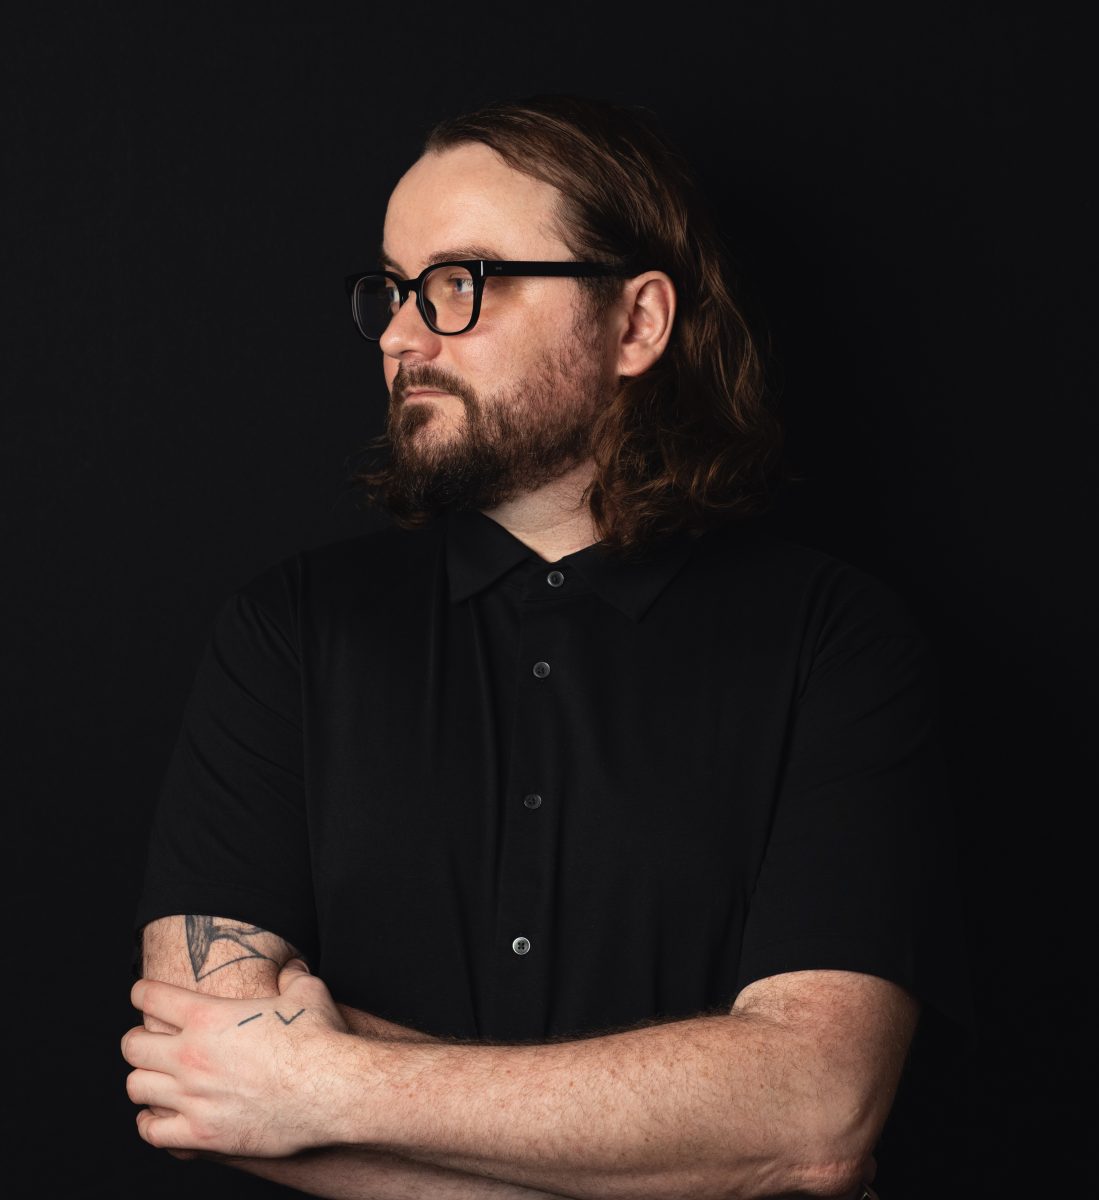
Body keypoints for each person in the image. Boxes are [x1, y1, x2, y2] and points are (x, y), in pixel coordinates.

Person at [124, 94, 968, 1200]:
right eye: (392, 287)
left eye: (461, 283)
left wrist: (318, 1083)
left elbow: (815, 1111)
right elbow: (201, 1078)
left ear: (636, 324)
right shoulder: (288, 628)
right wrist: (697, 1144)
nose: (398, 333)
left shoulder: (834, 640)